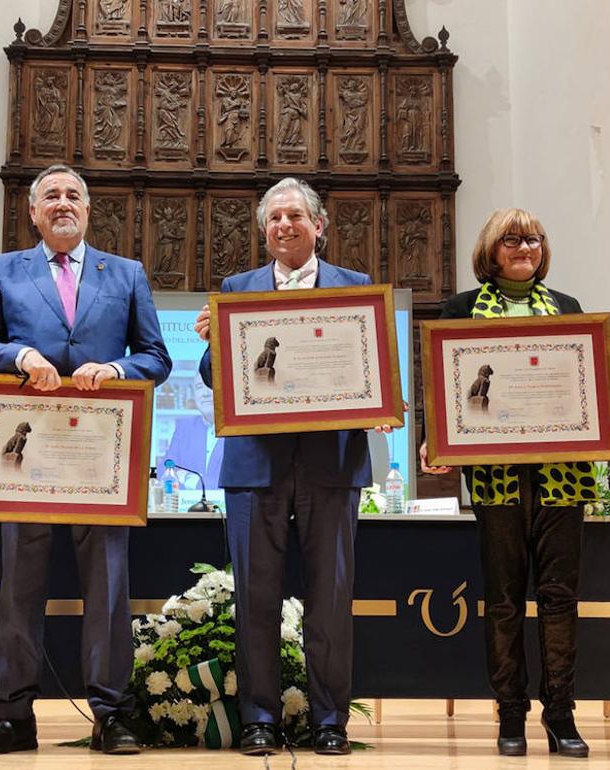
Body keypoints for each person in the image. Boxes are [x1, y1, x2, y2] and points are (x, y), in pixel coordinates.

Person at [0, 164, 172, 755]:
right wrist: (22, 354)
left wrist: (117, 369)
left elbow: (156, 357)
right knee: (20, 587)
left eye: (72, 195)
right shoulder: (2, 270)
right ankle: (13, 717)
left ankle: (111, 714)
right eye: (50, 195)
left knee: (108, 588)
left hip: (98, 456)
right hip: (23, 457)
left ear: (87, 208)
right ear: (32, 212)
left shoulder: (125, 274)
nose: (62, 203)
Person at [193, 177, 396, 756]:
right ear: (264, 231)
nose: (284, 225)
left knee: (330, 600)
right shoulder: (238, 288)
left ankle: (329, 721)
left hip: (332, 464)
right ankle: (260, 719)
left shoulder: (357, 289)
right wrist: (214, 346)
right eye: (274, 218)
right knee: (255, 599)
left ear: (319, 226)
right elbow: (217, 378)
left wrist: (383, 405)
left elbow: (375, 369)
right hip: (256, 465)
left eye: (295, 216)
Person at [419, 208, 610, 758]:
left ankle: (561, 715)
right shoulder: (461, 309)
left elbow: (587, 386)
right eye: (511, 238)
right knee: (505, 599)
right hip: (495, 475)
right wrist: (434, 438)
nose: (524, 246)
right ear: (491, 248)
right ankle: (511, 715)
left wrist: (606, 363)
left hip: (563, 473)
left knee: (559, 597)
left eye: (532, 237)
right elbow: (445, 385)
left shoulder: (568, 308)